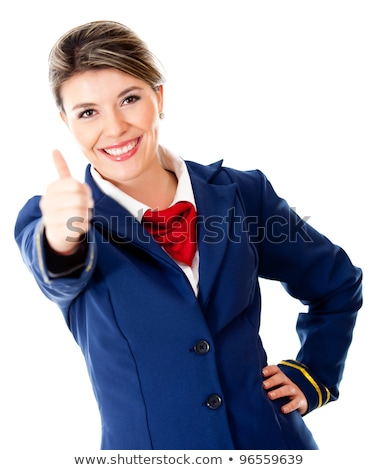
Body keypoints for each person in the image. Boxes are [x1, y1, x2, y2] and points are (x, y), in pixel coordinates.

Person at [14, 20, 362, 450]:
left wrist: (314, 376)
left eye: (129, 99)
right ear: (66, 122)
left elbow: (338, 284)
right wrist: (63, 235)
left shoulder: (242, 194)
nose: (116, 127)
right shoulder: (53, 217)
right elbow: (54, 266)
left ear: (158, 97)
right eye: (88, 112)